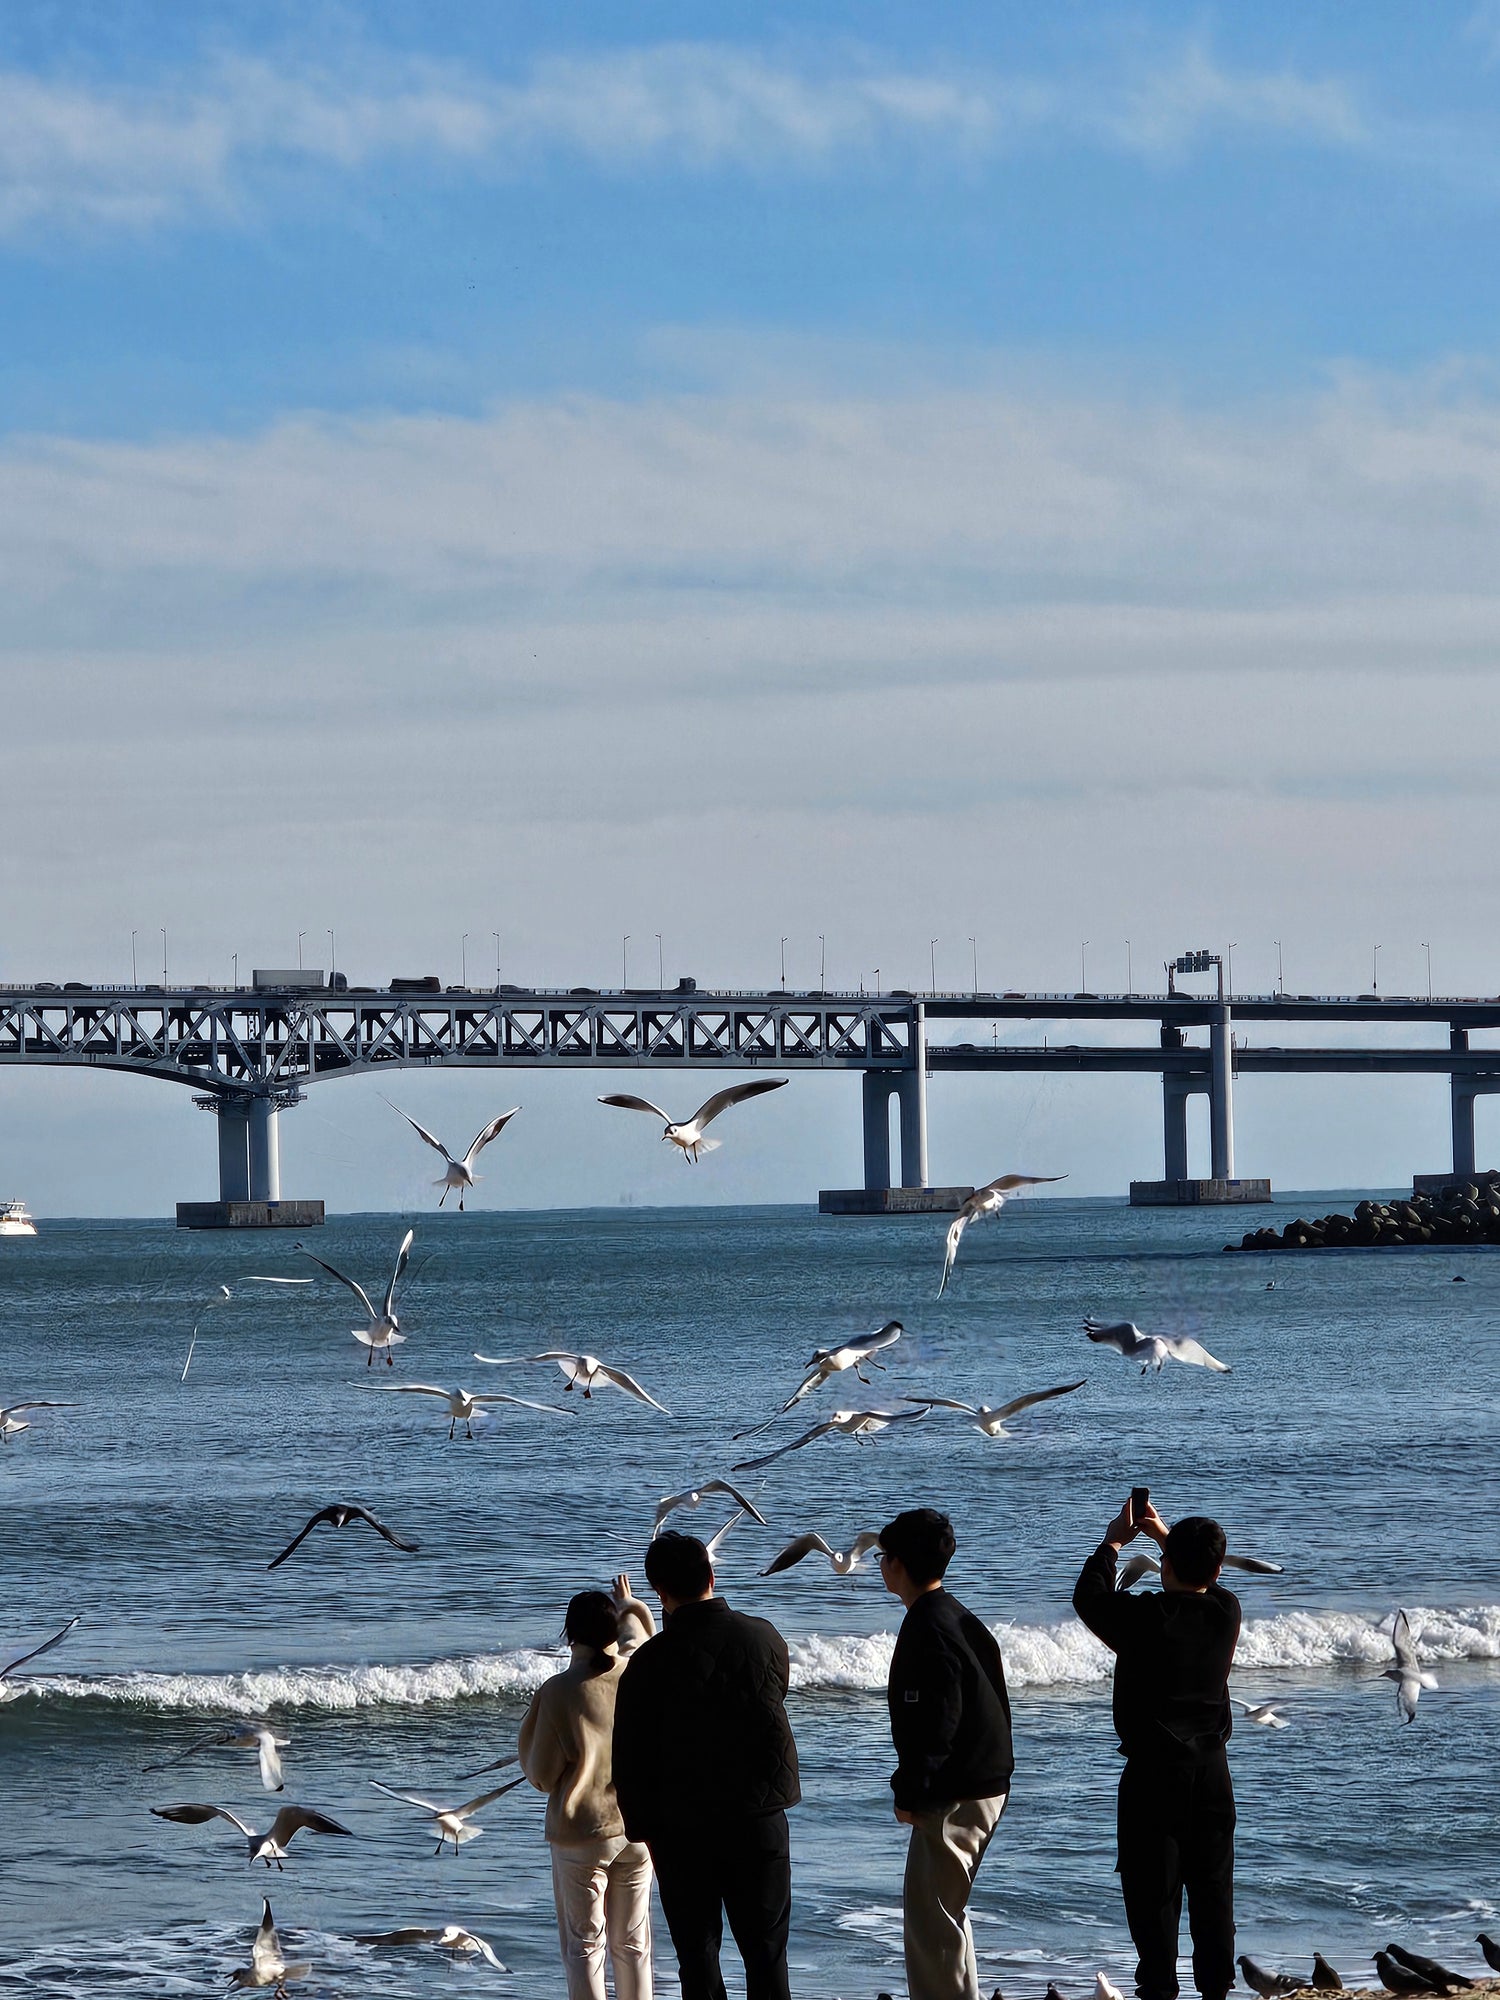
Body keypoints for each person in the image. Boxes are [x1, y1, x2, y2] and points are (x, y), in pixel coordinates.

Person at [611, 1530, 800, 2000]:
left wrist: (642, 1830)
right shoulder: (764, 1638)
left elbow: (629, 1759)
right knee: (767, 1955)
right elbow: (776, 1692)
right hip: (759, 1819)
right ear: (713, 1576)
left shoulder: (648, 1663)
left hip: (682, 1831)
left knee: (697, 1957)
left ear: (660, 1593)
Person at [1072, 1498, 1242, 2000]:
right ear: (1215, 1568)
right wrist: (1166, 1540)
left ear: (1166, 1567)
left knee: (1154, 1898)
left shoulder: (1146, 1617)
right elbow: (1204, 1577)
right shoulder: (1225, 1611)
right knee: (1213, 1896)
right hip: (1212, 1776)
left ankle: (1160, 1990)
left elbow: (1090, 1598)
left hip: (1154, 1777)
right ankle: (1216, 1991)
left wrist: (1113, 1542)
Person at [881, 1507, 1014, 2000]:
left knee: (930, 1921)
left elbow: (936, 1722)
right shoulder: (958, 1614)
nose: (880, 1565)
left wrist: (911, 1791)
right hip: (985, 1780)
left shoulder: (926, 1627)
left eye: (883, 1557)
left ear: (898, 1565)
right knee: (946, 1913)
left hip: (956, 1792)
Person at [518, 1573, 657, 2000]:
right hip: (638, 1827)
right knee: (633, 1947)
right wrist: (630, 1605)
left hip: (582, 1835)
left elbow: (541, 1775)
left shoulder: (559, 1692)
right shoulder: (639, 1674)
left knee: (584, 1947)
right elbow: (638, 1640)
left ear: (570, 1635)